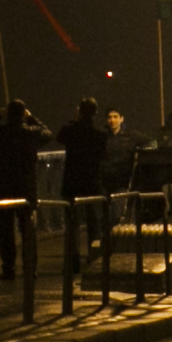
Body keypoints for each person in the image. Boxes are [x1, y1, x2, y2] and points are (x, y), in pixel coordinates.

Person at [0, 99, 51, 279]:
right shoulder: (31, 133)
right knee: (28, 231)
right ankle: (30, 268)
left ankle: (8, 268)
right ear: (23, 113)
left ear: (7, 114)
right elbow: (48, 133)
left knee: (5, 231)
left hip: (3, 187)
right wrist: (31, 118)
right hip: (25, 188)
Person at [60, 92, 112, 253]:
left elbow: (59, 137)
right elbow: (103, 155)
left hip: (72, 181)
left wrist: (74, 119)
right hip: (92, 182)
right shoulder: (101, 133)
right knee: (94, 222)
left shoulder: (71, 130)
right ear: (96, 113)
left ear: (80, 111)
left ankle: (73, 261)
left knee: (72, 224)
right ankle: (94, 256)